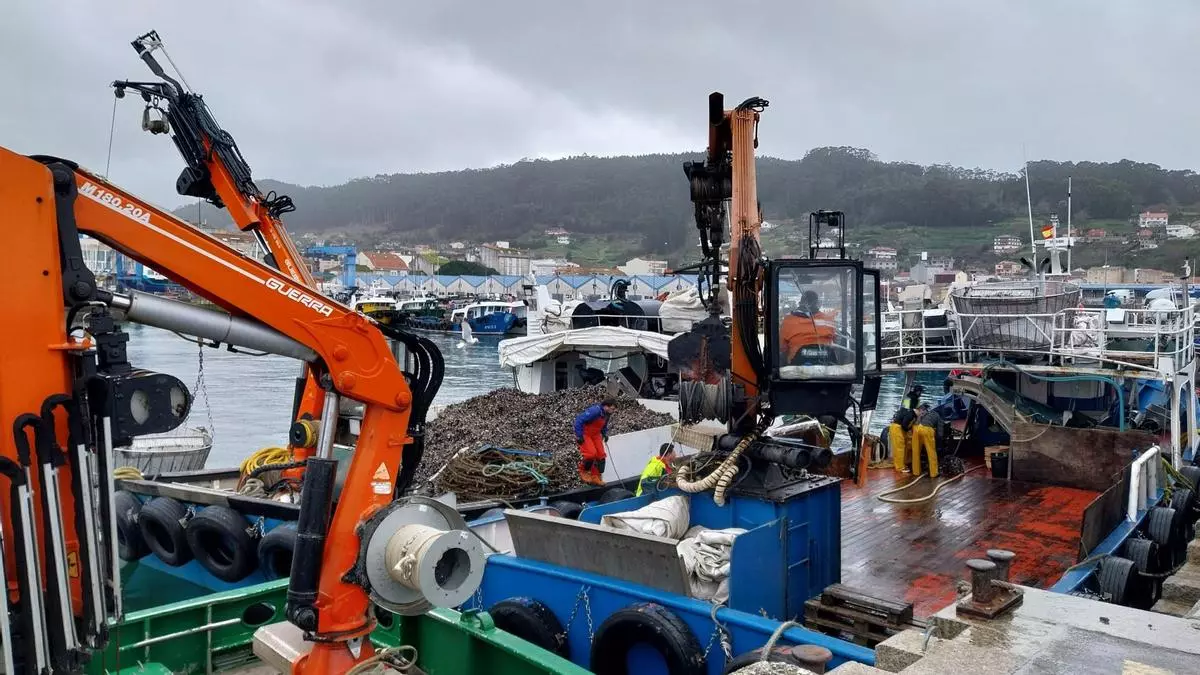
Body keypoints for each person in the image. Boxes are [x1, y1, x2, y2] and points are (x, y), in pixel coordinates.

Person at [780, 290, 837, 363]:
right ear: (816, 303)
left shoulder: (788, 321)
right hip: (827, 364)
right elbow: (835, 342)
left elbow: (782, 348)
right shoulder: (827, 319)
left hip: (797, 366)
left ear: (800, 303)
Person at [574, 397, 616, 486]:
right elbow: (579, 420)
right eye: (612, 408)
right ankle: (583, 471)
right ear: (606, 406)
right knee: (591, 454)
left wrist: (604, 434)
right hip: (586, 434)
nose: (613, 411)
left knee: (601, 455)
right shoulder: (595, 411)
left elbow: (603, 426)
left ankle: (595, 477)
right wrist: (579, 435)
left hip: (596, 435)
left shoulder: (607, 414)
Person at [912, 402, 942, 478]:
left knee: (916, 451)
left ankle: (916, 472)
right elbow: (940, 432)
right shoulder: (938, 416)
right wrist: (939, 441)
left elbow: (919, 420)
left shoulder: (926, 413)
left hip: (917, 429)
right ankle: (934, 473)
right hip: (927, 430)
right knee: (931, 452)